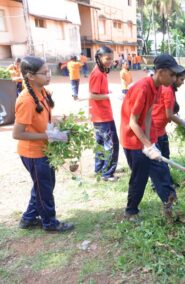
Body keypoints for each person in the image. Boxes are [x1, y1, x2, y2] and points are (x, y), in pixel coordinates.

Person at [12, 56, 74, 232]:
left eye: (49, 71)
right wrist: (48, 136)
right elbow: (17, 133)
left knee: (43, 185)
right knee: (44, 189)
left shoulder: (43, 91)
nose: (49, 75)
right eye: (44, 73)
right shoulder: (26, 100)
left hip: (44, 148)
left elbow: (47, 117)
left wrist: (61, 124)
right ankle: (50, 223)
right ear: (30, 76)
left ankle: (29, 218)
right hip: (33, 153)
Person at [120, 54, 185, 222]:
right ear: (161, 72)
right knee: (139, 178)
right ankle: (131, 211)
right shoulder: (142, 88)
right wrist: (146, 145)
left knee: (161, 169)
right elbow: (133, 123)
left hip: (143, 139)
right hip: (132, 139)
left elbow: (148, 114)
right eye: (172, 75)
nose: (174, 79)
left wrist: (150, 142)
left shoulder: (157, 87)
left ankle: (171, 204)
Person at [89, 45, 119, 182]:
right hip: (102, 116)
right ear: (99, 58)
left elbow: (100, 93)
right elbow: (93, 96)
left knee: (101, 145)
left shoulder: (101, 72)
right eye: (107, 59)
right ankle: (107, 173)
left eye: (112, 59)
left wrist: (108, 93)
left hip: (100, 115)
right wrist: (109, 96)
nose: (110, 62)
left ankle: (99, 170)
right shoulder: (98, 74)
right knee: (111, 144)